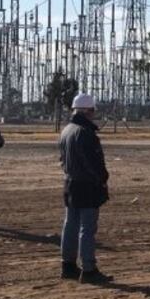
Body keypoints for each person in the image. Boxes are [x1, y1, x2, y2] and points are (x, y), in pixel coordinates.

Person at [58, 93, 113, 284]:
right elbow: (93, 163)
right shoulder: (85, 133)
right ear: (88, 111)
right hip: (87, 186)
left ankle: (68, 265)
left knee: (70, 225)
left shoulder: (66, 130)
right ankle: (89, 269)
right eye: (93, 110)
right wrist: (102, 179)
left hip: (70, 183)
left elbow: (62, 160)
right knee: (87, 228)